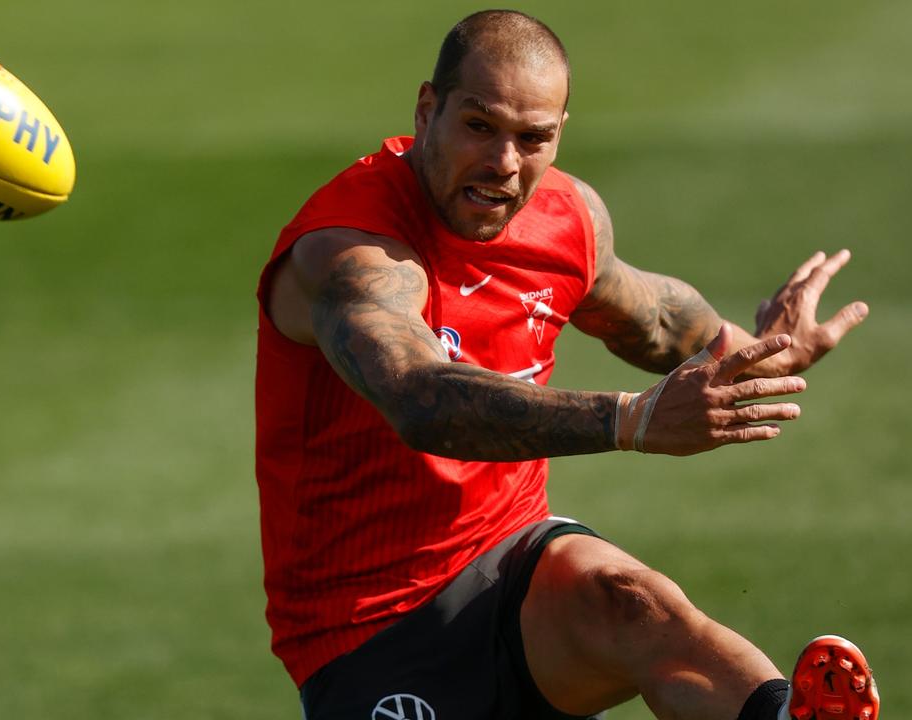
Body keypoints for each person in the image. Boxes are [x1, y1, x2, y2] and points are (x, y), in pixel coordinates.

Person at [254, 10, 879, 720]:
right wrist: (633, 420)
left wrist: (758, 351)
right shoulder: (349, 253)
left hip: (513, 556)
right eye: (480, 126)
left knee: (638, 606)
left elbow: (656, 319)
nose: (505, 163)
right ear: (428, 109)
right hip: (366, 625)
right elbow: (419, 398)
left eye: (534, 137)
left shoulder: (565, 217)